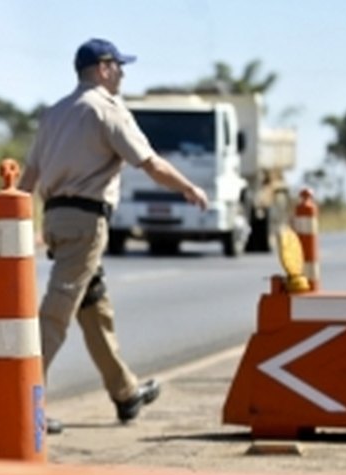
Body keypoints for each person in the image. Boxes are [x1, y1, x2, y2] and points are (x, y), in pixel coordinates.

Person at [17, 38, 209, 435]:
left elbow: (29, 177)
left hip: (55, 218)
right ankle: (22, 400)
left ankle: (126, 393)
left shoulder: (54, 113)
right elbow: (149, 162)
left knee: (95, 307)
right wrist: (188, 188)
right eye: (119, 66)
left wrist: (15, 222)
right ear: (103, 68)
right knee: (57, 311)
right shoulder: (106, 109)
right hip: (86, 222)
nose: (122, 73)